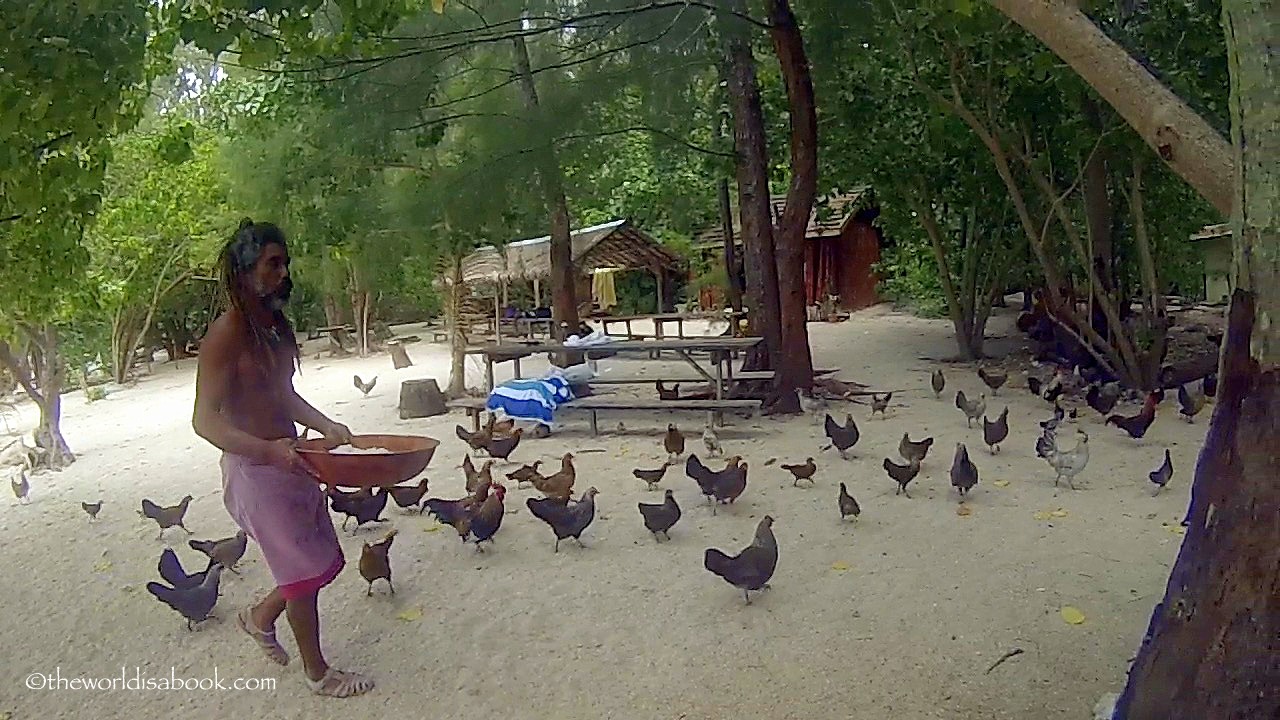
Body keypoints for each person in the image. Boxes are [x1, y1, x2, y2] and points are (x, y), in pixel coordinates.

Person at [192, 218, 374, 697]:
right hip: (256, 471)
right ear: (244, 269)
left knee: (319, 563)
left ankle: (259, 617)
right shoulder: (225, 335)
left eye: (284, 262)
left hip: (292, 460)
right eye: (273, 263)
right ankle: (319, 674)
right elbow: (204, 422)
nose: (283, 272)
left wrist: (325, 426)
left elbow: (283, 395)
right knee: (302, 573)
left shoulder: (271, 326)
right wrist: (268, 452)